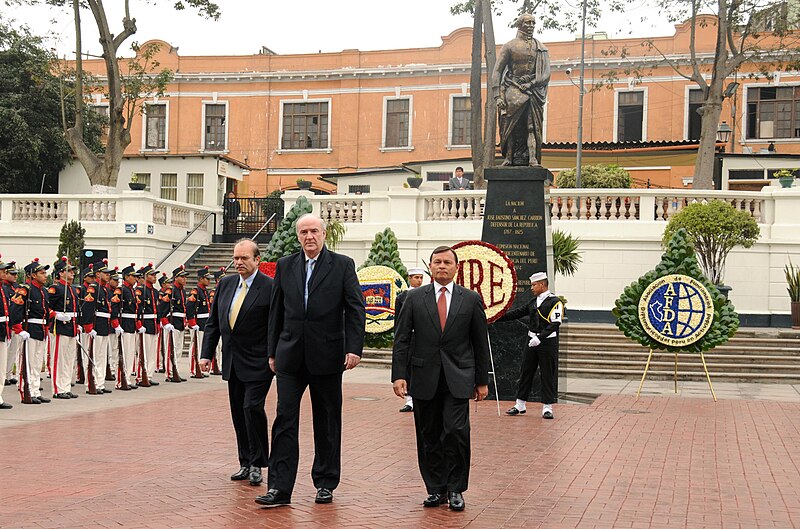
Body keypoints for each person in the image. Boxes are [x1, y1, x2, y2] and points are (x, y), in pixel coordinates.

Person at [257, 213, 366, 507]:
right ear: (298, 236)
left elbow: (356, 308)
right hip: (290, 356)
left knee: (327, 420)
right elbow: (275, 312)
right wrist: (271, 351)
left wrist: (354, 348)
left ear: (324, 233)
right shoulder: (285, 265)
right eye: (304, 232)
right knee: (284, 420)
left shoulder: (342, 265)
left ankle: (325, 482)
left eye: (314, 231)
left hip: (328, 356)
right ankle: (280, 487)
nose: (309, 236)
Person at [392, 246, 490, 512]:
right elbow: (401, 339)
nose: (442, 266)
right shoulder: (413, 299)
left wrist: (482, 380)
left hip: (459, 377)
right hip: (423, 376)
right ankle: (436, 489)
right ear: (431, 267)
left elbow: (480, 343)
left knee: (457, 432)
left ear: (456, 268)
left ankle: (456, 488)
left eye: (447, 262)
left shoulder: (470, 299)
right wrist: (399, 375)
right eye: (437, 262)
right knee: (428, 434)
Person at [201, 239, 274, 487]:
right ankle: (244, 461)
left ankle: (258, 463)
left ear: (257, 260)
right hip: (232, 361)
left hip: (259, 362)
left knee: (252, 408)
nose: (239, 263)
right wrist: (205, 354)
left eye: (244, 258)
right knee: (238, 413)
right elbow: (213, 323)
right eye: (236, 258)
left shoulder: (270, 287)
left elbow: (276, 325)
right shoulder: (226, 284)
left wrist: (274, 355)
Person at [497, 272, 563, 419]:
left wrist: (540, 337)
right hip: (531, 340)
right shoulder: (533, 302)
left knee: (547, 373)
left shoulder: (554, 302)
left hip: (547, 342)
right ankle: (520, 404)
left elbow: (555, 324)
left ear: (542, 284)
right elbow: (516, 313)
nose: (532, 288)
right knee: (526, 371)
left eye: (534, 285)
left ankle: (547, 407)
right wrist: (495, 317)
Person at [492, 13, 551, 167]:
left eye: (533, 23)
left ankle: (532, 158)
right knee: (511, 127)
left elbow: (545, 74)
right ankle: (509, 158)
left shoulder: (541, 48)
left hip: (533, 93)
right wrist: (497, 95)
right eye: (528, 23)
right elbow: (497, 71)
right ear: (520, 25)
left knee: (531, 126)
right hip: (512, 90)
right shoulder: (510, 46)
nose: (531, 26)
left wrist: (531, 83)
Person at [11, 259, 53, 404]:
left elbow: (46, 312)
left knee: (36, 362)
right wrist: (18, 329)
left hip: (41, 329)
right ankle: (26, 390)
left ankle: (35, 390)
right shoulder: (25, 289)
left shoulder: (44, 291)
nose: (45, 275)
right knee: (27, 362)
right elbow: (16, 310)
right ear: (33, 275)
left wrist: (47, 326)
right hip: (29, 329)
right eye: (42, 273)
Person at [48, 258, 81, 399]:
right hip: (60, 327)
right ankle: (58, 389)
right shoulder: (56, 289)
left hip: (72, 327)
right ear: (61, 273)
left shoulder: (72, 289)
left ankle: (66, 387)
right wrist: (56, 315)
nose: (72, 273)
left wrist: (77, 324)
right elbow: (47, 307)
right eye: (69, 270)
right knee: (59, 360)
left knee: (69, 359)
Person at [395, 266, 426, 413]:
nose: (419, 280)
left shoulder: (425, 295)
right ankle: (409, 400)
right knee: (407, 367)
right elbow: (399, 321)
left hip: (421, 337)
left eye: (421, 277)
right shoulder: (402, 297)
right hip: (408, 337)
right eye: (416, 277)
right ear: (409, 278)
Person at [81, 259, 114, 395]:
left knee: (101, 356)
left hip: (104, 326)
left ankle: (99, 383)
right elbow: (88, 308)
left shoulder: (103, 289)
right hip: (96, 325)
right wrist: (88, 326)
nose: (108, 276)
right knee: (94, 356)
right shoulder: (93, 288)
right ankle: (92, 383)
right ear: (98, 274)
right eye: (105, 273)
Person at [159, 266, 189, 383]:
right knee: (170, 349)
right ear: (176, 278)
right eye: (182, 277)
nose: (185, 279)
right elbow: (163, 309)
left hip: (180, 323)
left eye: (185, 277)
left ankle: (175, 370)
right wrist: (165, 323)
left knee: (178, 350)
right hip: (173, 323)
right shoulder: (170, 291)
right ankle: (169, 373)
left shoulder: (182, 291)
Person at [187, 267, 213, 378]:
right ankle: (194, 369)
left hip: (205, 322)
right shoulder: (195, 291)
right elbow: (190, 308)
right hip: (198, 322)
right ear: (201, 279)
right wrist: (192, 323)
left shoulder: (204, 291)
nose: (209, 281)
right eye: (207, 279)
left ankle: (200, 369)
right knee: (195, 347)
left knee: (202, 346)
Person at [0, 259, 16, 409]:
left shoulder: (3, 289)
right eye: (3, 269)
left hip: (3, 329)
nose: (5, 272)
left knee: (1, 366)